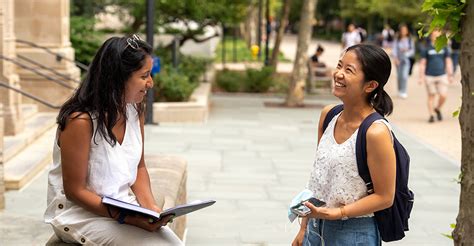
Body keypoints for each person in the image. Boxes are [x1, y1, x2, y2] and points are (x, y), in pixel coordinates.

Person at [44, 35, 183, 245]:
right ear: (119, 78)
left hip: (123, 206)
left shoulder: (135, 110)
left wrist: (150, 209)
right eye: (144, 75)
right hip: (82, 216)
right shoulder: (80, 122)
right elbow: (75, 191)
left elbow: (140, 167)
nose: (151, 83)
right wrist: (128, 218)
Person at [292, 44, 396, 246]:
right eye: (339, 65)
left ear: (370, 85)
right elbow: (319, 179)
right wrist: (304, 228)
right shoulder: (328, 115)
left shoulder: (376, 132)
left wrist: (338, 213)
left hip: (354, 234)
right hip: (315, 226)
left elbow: (385, 196)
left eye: (349, 70)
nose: (338, 74)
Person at [419, 29, 453, 123]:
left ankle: (437, 108)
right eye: (434, 35)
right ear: (431, 36)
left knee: (443, 95)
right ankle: (431, 115)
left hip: (442, 75)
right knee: (431, 95)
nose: (436, 37)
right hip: (429, 75)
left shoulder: (444, 47)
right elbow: (422, 63)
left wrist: (450, 75)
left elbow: (448, 61)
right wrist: (421, 77)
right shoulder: (427, 48)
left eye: (438, 35)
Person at [392, 24, 415, 99]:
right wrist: (395, 58)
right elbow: (394, 49)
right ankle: (400, 90)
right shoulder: (397, 39)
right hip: (398, 60)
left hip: (406, 60)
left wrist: (406, 52)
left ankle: (403, 91)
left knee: (404, 76)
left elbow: (412, 51)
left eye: (405, 30)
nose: (403, 31)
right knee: (399, 76)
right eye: (402, 30)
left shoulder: (410, 39)